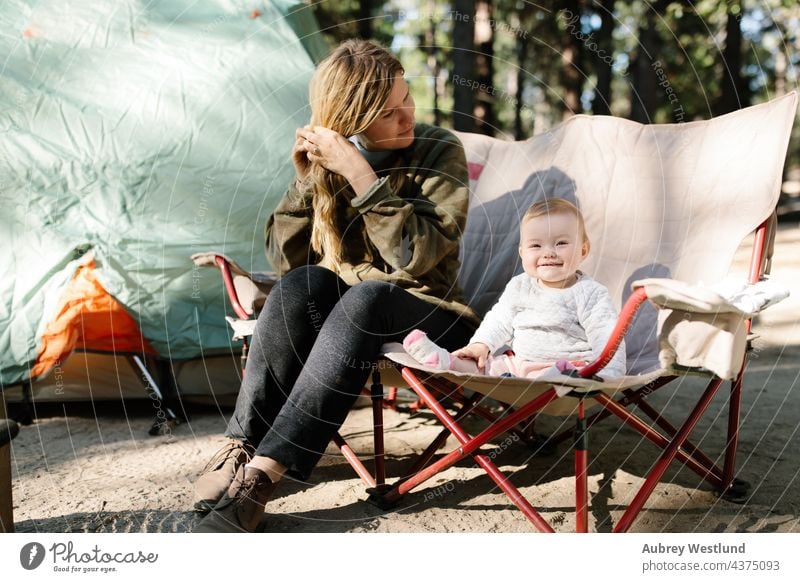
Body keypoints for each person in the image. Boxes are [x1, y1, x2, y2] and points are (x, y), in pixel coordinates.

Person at [193, 39, 479, 533]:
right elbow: (286, 262)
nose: (408, 115)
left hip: (432, 316)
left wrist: (361, 175)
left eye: (407, 98)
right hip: (349, 318)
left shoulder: (438, 149)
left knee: (365, 298)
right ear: (350, 126)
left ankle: (264, 474)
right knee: (305, 284)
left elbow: (413, 259)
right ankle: (240, 445)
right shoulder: (328, 164)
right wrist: (308, 181)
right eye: (390, 113)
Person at [403, 199, 626, 379]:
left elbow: (606, 336)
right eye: (536, 245)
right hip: (520, 365)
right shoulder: (520, 286)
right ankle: (447, 362)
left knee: (566, 374)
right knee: (485, 366)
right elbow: (499, 320)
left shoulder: (590, 293)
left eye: (561, 243)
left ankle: (556, 377)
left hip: (571, 367)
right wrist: (481, 344)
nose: (548, 252)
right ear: (522, 254)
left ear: (584, 251)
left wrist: (609, 374)